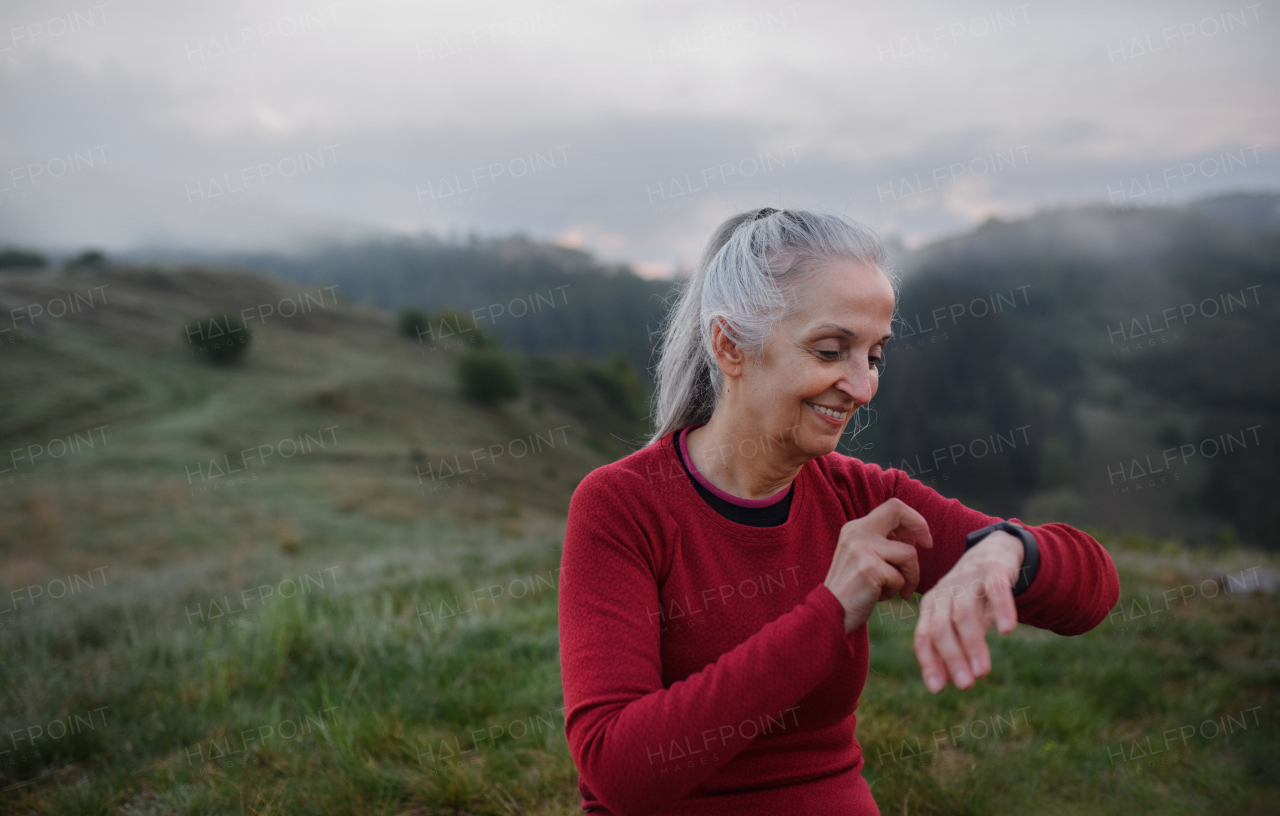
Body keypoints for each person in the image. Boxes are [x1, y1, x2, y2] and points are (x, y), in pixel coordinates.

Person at [557, 208, 1119, 815]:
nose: (863, 386)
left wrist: (1009, 550)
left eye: (875, 356)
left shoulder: (863, 499)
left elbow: (1094, 594)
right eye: (831, 351)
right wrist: (828, 613)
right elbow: (619, 770)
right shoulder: (622, 506)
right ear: (729, 346)